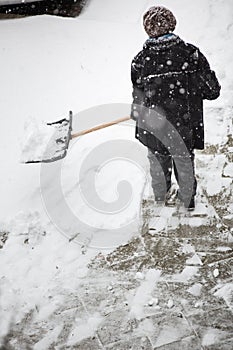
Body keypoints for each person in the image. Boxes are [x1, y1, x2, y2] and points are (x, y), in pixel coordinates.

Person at [131, 6, 221, 210]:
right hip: (183, 126)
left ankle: (160, 196)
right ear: (172, 24)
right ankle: (187, 200)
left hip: (154, 127)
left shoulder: (140, 61)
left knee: (157, 160)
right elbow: (212, 90)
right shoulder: (191, 55)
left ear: (148, 30)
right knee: (183, 162)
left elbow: (138, 96)